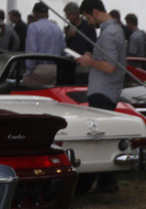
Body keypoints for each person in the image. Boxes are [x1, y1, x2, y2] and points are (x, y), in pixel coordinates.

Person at [76, 0, 126, 193]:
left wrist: (90, 61)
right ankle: (106, 180)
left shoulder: (109, 33)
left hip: (102, 91)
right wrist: (93, 58)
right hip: (108, 90)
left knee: (95, 138)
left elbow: (111, 66)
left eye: (88, 18)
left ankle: (90, 182)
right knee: (102, 138)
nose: (89, 22)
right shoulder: (115, 30)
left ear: (96, 12)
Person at [24, 2, 65, 86]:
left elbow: (32, 50)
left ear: (34, 13)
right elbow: (63, 49)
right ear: (47, 14)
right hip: (55, 68)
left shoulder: (33, 27)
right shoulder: (57, 28)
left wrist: (29, 70)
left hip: (39, 68)